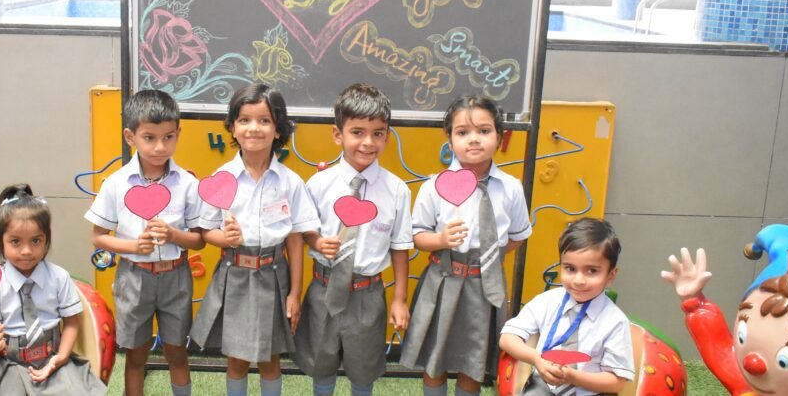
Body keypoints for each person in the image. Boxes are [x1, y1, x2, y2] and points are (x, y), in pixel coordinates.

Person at [191, 83, 320, 396]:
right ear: (232, 127)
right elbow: (205, 231)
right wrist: (224, 237)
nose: (254, 128)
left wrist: (294, 293)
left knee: (270, 358)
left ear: (278, 129)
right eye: (244, 119)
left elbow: (295, 239)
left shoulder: (289, 181)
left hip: (273, 276)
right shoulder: (222, 178)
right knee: (236, 359)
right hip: (234, 275)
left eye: (264, 120)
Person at [400, 94, 533, 396]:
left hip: (484, 287)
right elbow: (417, 236)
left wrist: (490, 255)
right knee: (435, 361)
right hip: (442, 280)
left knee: (473, 362)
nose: (474, 139)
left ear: (499, 136)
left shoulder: (510, 188)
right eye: (462, 132)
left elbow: (518, 235)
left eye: (484, 131)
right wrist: (440, 240)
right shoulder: (433, 186)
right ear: (449, 138)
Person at [293, 83, 413, 396]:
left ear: (387, 136)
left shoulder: (397, 190)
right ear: (338, 134)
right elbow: (304, 230)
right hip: (324, 289)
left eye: (378, 133)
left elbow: (400, 247)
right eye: (357, 132)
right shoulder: (319, 184)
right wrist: (317, 242)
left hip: (367, 294)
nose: (368, 142)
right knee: (321, 363)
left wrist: (399, 299)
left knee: (364, 369)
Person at [86, 89, 203, 396]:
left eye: (168, 137)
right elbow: (98, 236)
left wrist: (174, 235)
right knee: (136, 355)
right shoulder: (116, 184)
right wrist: (133, 247)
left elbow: (200, 241)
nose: (160, 147)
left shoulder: (188, 184)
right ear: (131, 137)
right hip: (134, 277)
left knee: (177, 351)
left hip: (176, 277)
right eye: (149, 138)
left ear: (178, 134)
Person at [662, 225, 788, 396]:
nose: (752, 363)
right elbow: (720, 348)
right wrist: (694, 301)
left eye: (787, 358)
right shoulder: (748, 388)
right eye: (742, 335)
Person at [0, 184, 107, 395]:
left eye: (36, 241)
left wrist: (61, 358)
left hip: (54, 359)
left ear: (46, 240)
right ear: (1, 242)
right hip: (11, 364)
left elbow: (72, 322)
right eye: (15, 241)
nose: (26, 251)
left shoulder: (59, 277)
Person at [500, 218, 634, 396]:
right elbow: (507, 338)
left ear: (611, 275)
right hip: (543, 386)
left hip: (590, 391)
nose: (579, 280)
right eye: (570, 268)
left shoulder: (615, 321)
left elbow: (616, 382)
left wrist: (572, 377)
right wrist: (536, 359)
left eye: (592, 271)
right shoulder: (547, 302)